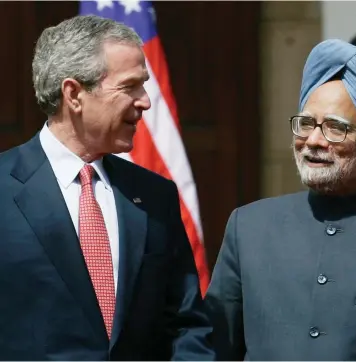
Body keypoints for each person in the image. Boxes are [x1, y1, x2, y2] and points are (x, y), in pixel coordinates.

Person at [0, 15, 214, 360]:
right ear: (74, 94)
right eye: (130, 86)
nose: (145, 101)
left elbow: (186, 325)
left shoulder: (155, 196)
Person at [205, 38, 356, 360]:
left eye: (335, 129)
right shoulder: (250, 227)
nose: (313, 140)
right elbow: (212, 349)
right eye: (306, 124)